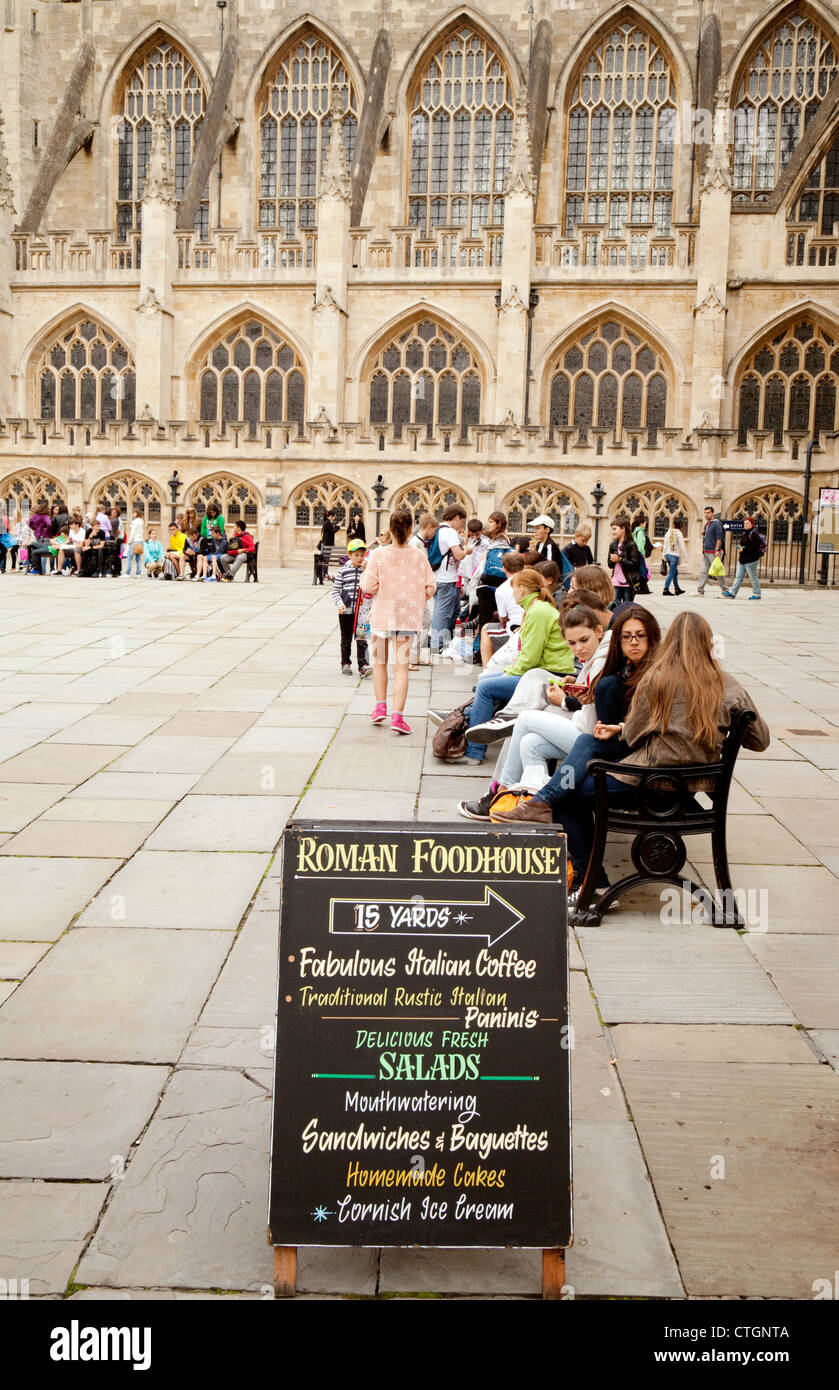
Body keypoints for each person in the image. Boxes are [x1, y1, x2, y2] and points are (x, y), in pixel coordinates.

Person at [495, 613, 770, 908]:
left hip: (651, 784)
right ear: (708, 644)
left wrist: (626, 728)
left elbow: (634, 738)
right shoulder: (729, 686)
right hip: (691, 789)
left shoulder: (657, 680)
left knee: (569, 792)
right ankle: (545, 802)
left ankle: (593, 882)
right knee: (582, 757)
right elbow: (760, 740)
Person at [459, 602, 613, 819]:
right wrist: (573, 684)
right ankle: (527, 801)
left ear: (599, 631)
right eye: (572, 643)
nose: (578, 648)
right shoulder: (597, 654)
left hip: (591, 738)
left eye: (584, 640)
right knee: (529, 742)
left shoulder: (602, 660)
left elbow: (589, 721)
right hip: (583, 725)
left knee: (525, 721)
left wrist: (565, 701)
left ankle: (499, 793)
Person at [459, 567, 575, 764]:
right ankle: (467, 719)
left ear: (522, 589)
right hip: (541, 671)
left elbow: (530, 658)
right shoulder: (537, 608)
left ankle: (474, 752)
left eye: (513, 589)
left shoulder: (538, 612)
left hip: (549, 675)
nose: (512, 593)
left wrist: (507, 673)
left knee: (486, 687)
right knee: (484, 680)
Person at [361, 508, 436, 735]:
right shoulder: (418, 556)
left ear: (390, 530)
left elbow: (367, 586)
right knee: (401, 667)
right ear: (410, 529)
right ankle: (398, 717)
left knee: (380, 662)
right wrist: (415, 596)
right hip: (406, 615)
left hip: (382, 615)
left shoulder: (378, 555)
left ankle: (380, 707)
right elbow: (431, 587)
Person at [430, 504, 467, 653]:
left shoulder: (437, 530)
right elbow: (458, 555)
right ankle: (436, 644)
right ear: (457, 518)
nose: (462, 524)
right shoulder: (450, 532)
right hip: (446, 578)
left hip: (437, 576)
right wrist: (467, 551)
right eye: (462, 521)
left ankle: (445, 640)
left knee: (452, 610)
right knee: (443, 612)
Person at [478, 550, 525, 666]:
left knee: (486, 629)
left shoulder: (502, 589)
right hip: (529, 627)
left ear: (503, 568)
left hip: (516, 631)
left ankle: (487, 669)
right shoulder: (532, 582)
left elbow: (503, 618)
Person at [333, 539, 371, 676]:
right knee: (346, 639)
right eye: (356, 555)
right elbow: (335, 591)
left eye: (362, 555)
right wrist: (339, 604)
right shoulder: (342, 571)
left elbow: (371, 589)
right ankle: (346, 663)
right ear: (349, 555)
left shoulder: (366, 572)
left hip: (363, 613)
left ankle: (364, 664)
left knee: (362, 639)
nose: (360, 558)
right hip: (346, 612)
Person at [408, 514, 439, 667]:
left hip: (421, 588)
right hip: (416, 589)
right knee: (418, 621)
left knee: (426, 620)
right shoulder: (414, 543)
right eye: (434, 531)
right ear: (429, 527)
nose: (434, 535)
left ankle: (415, 655)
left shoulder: (420, 543)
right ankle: (411, 657)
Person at [722, 516, 763, 600]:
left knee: (753, 577)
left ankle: (757, 594)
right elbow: (744, 545)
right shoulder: (745, 533)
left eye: (747, 523)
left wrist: (743, 549)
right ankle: (732, 593)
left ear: (752, 524)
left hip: (751, 560)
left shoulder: (754, 534)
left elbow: (755, 547)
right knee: (738, 577)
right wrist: (740, 549)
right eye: (744, 523)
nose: (745, 525)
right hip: (743, 559)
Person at [607, 515, 642, 602]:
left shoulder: (631, 544)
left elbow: (635, 564)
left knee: (627, 608)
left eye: (615, 529)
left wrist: (619, 559)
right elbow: (610, 565)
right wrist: (612, 560)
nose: (612, 532)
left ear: (623, 528)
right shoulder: (613, 545)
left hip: (628, 583)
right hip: (615, 582)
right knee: (614, 607)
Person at [697, 505, 725, 595]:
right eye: (705, 513)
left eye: (708, 512)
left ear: (712, 513)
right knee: (704, 571)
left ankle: (725, 590)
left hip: (713, 551)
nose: (706, 514)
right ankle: (700, 591)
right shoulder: (708, 524)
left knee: (717, 571)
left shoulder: (716, 523)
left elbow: (719, 537)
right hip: (705, 551)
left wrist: (717, 549)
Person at [661, 518, 687, 596]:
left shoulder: (668, 532)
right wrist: (685, 557)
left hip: (667, 555)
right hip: (674, 556)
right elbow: (682, 546)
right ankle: (666, 589)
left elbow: (665, 545)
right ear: (681, 526)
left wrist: (663, 556)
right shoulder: (678, 533)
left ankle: (677, 589)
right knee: (672, 572)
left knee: (675, 572)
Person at [317, 508, 337, 584]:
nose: (334, 517)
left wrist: (335, 526)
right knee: (326, 560)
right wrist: (338, 527)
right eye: (334, 516)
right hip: (327, 545)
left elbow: (330, 531)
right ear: (331, 516)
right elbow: (332, 531)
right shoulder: (328, 523)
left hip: (327, 544)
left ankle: (325, 574)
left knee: (326, 560)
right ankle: (324, 575)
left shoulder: (328, 522)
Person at [126, 506, 145, 576]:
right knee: (138, 559)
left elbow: (132, 532)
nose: (132, 515)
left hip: (134, 541)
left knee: (129, 558)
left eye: (133, 513)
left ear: (136, 513)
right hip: (140, 541)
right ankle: (138, 573)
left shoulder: (135, 521)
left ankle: (127, 573)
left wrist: (129, 540)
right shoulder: (142, 521)